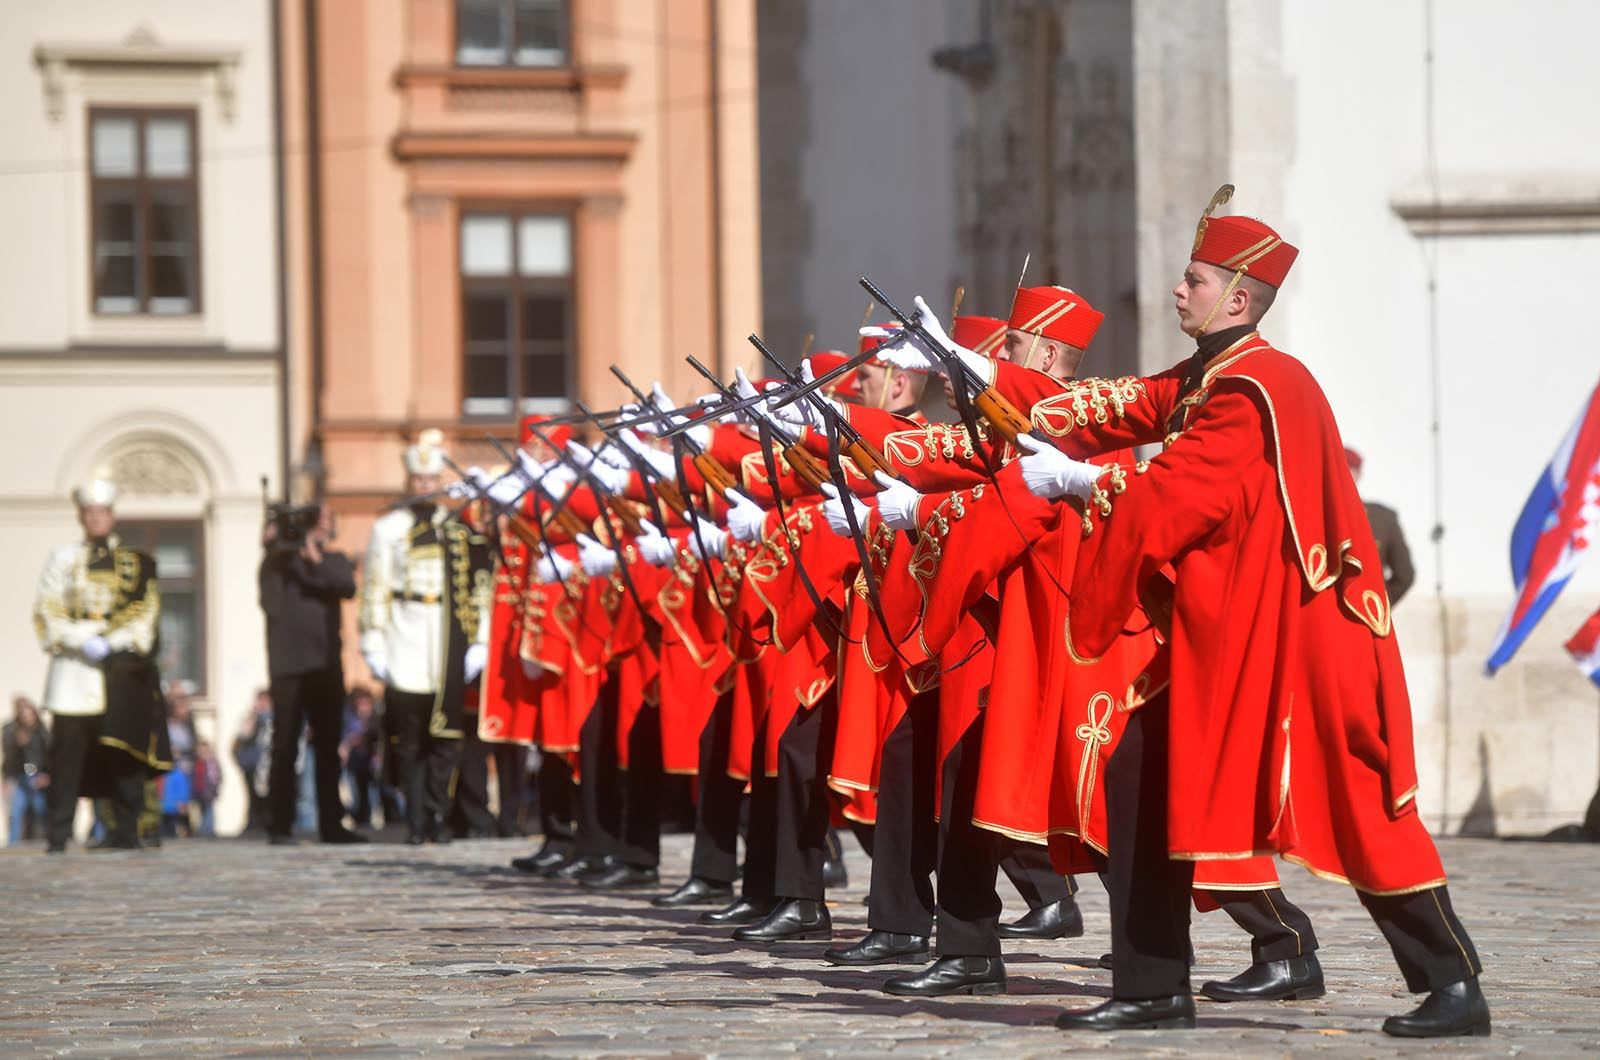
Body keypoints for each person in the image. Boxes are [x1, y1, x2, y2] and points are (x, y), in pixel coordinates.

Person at [1014, 189, 1489, 1037]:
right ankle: (1152, 987)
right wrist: (994, 385)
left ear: (1237, 299)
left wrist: (1084, 480)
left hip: (1302, 643)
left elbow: (1175, 497)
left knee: (1358, 809)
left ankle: (1453, 985)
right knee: (1137, 773)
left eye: (1193, 281)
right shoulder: (1212, 373)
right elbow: (1124, 403)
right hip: (1234, 632)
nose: (1177, 290)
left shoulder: (1253, 386)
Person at [361, 429, 492, 844]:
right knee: (409, 739)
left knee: (446, 739)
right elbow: (375, 586)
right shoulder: (387, 529)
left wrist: (481, 640)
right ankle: (416, 821)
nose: (424, 486)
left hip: (446, 639)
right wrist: (373, 642)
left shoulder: (456, 526)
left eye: (431, 479)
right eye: (419, 480)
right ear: (408, 482)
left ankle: (437, 815)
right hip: (404, 635)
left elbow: (479, 584)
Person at [33, 472, 172, 852]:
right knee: (67, 755)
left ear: (112, 515)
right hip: (74, 670)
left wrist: (112, 642)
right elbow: (47, 609)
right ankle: (58, 834)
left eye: (102, 511)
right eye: (90, 512)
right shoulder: (62, 559)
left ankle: (125, 830)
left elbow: (146, 615)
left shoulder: (135, 562)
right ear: (82, 516)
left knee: (123, 753)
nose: (96, 518)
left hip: (120, 670)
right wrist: (82, 640)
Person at [260, 502, 363, 845]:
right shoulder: (276, 565)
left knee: (328, 747)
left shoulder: (333, 560)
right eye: (314, 522)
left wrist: (314, 560)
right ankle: (280, 825)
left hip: (325, 666)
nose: (319, 527)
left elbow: (347, 587)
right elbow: (269, 603)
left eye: (324, 522)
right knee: (284, 745)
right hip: (288, 668)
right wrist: (272, 553)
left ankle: (332, 824)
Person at [1346, 447, 1416, 606]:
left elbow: (1404, 575)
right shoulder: (1314, 514)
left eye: (1347, 470)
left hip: (1363, 613)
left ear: (1358, 474)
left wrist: (1378, 606)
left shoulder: (1383, 519)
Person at [4, 696, 50, 844]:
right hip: (21, 776)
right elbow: (10, 758)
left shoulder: (40, 731)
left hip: (35, 775)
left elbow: (45, 755)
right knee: (16, 811)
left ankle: (51, 838)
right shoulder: (13, 731)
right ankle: (12, 844)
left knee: (40, 808)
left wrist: (45, 774)